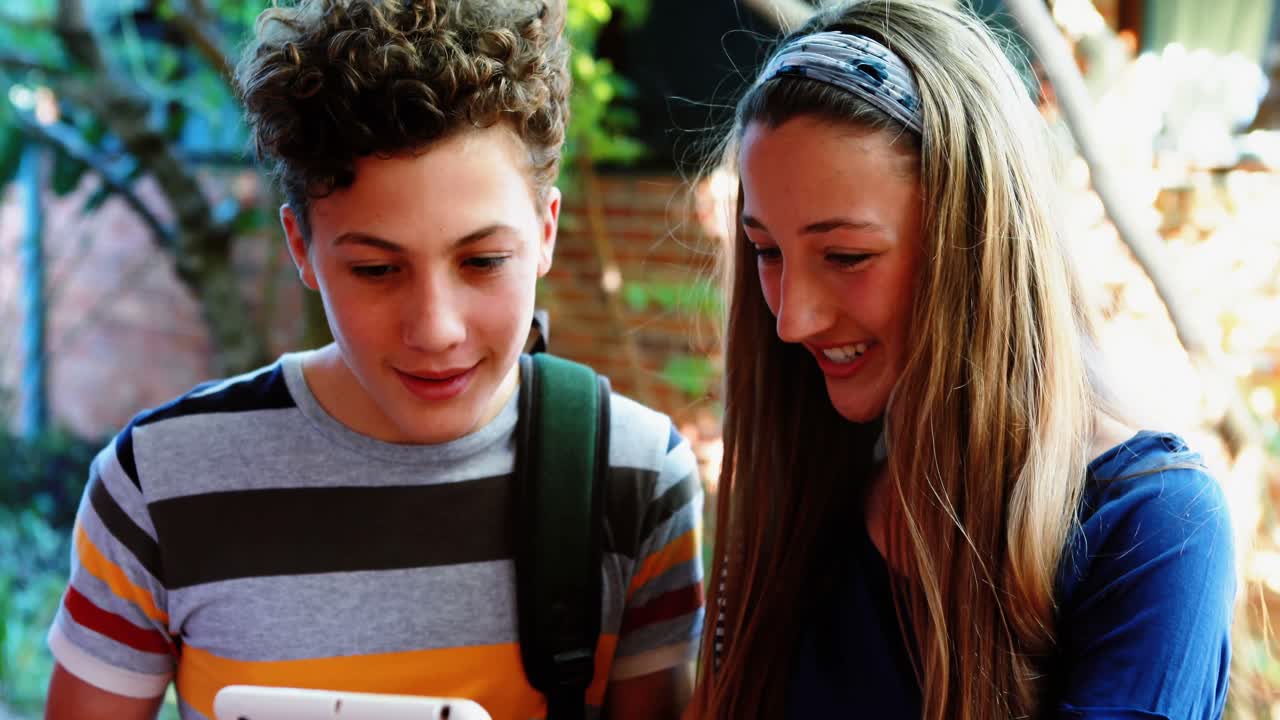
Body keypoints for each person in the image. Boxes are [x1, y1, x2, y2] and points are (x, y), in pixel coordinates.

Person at [44, 2, 704, 719]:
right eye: (376, 270)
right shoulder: (159, 484)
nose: (435, 329)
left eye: (483, 260)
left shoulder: (634, 480)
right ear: (300, 247)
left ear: (545, 233)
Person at [689, 1, 1235, 718]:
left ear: (977, 242)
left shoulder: (1153, 527)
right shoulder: (807, 503)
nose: (791, 319)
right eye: (767, 252)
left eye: (847, 256)